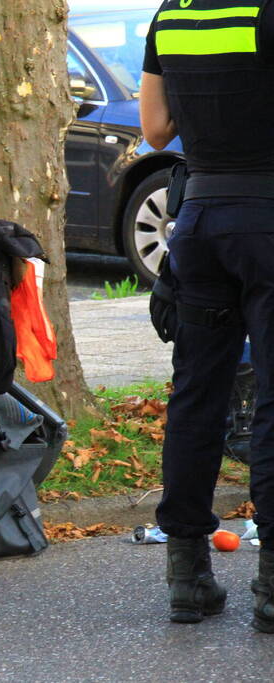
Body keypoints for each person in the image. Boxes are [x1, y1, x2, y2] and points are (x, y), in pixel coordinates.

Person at [140, 0, 274, 631]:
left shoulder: (171, 13)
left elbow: (155, 130)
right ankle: (270, 586)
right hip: (267, 219)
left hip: (197, 221)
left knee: (196, 394)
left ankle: (187, 578)